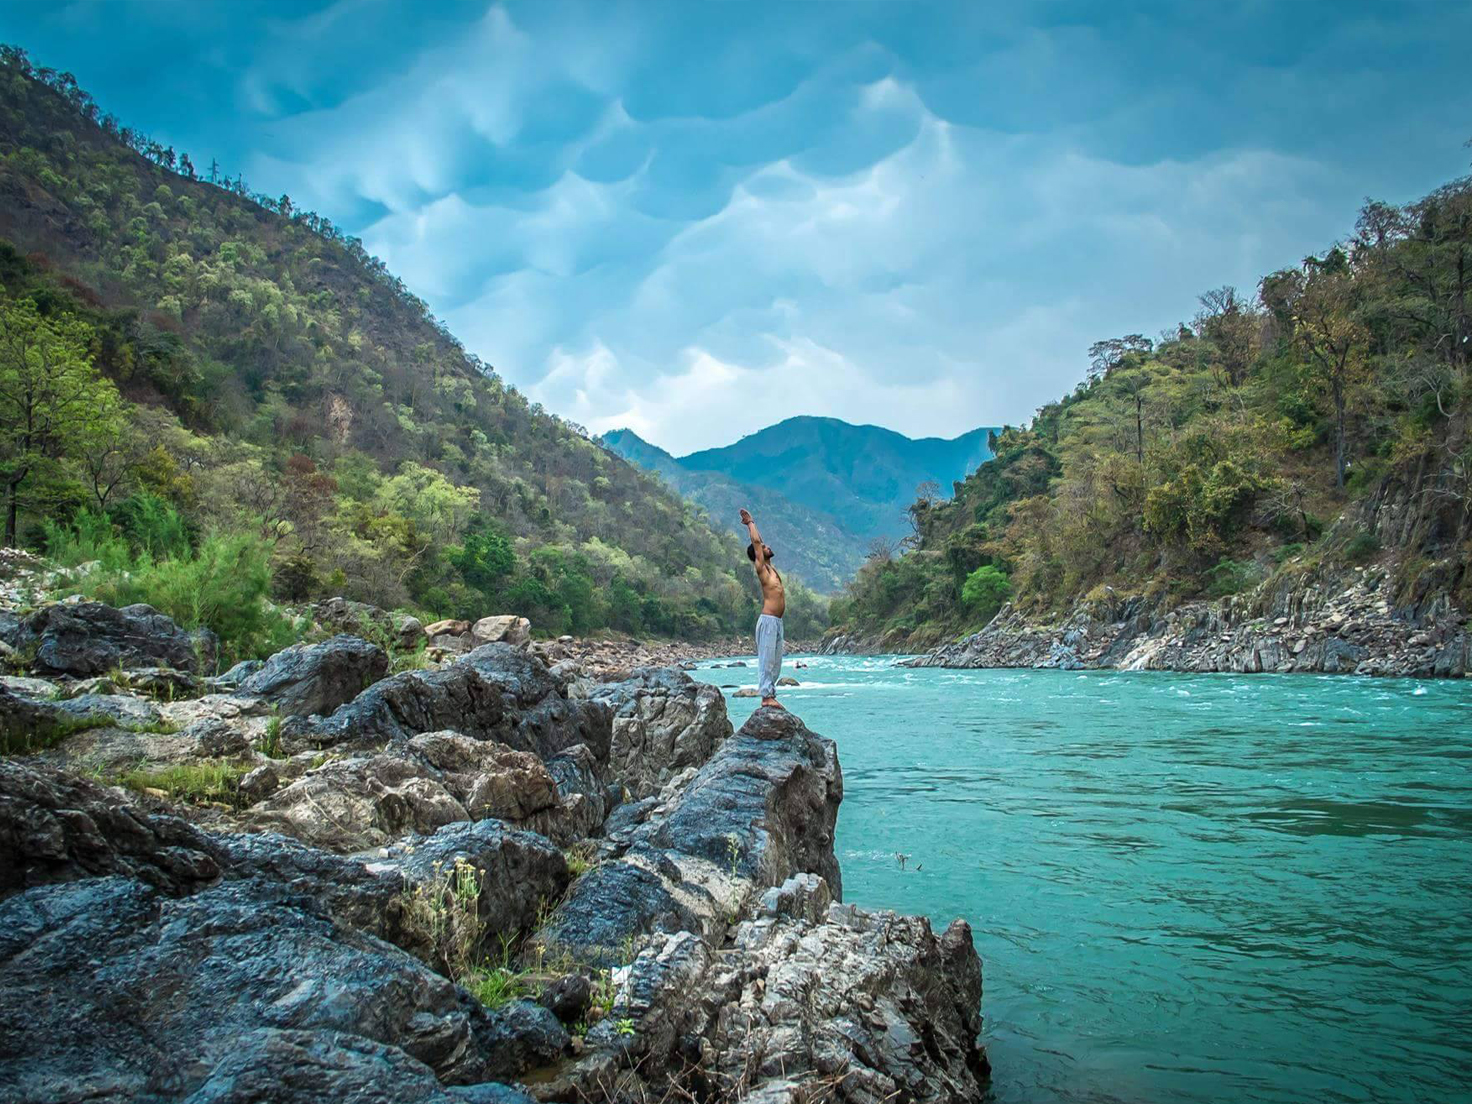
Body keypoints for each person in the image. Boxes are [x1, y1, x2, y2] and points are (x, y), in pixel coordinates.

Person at [739, 508, 785, 709]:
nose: (768, 547)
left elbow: (760, 543)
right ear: (759, 554)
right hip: (767, 621)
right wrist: (750, 523)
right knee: (766, 660)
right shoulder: (762, 569)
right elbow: (757, 543)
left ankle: (770, 693)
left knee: (776, 663)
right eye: (765, 547)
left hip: (777, 622)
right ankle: (766, 697)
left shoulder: (771, 568)